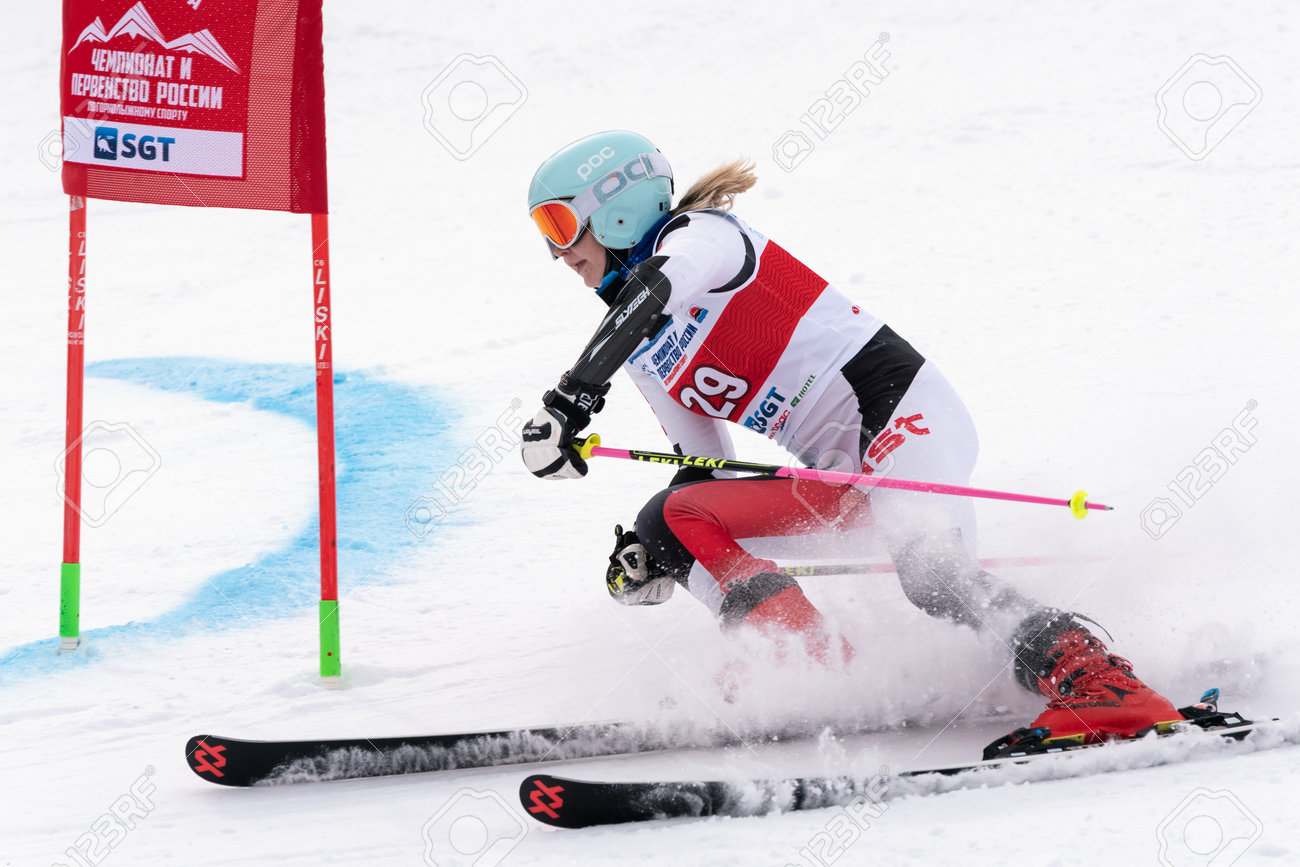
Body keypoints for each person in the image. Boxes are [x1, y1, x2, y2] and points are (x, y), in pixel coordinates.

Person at [520, 130, 1185, 745]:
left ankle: (1103, 684)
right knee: (669, 520)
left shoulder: (706, 239)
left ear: (616, 211)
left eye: (559, 222)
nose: (555, 252)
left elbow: (659, 287)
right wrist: (653, 554)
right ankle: (815, 669)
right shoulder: (641, 348)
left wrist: (573, 397)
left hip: (902, 416)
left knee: (930, 577)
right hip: (843, 476)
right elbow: (707, 470)